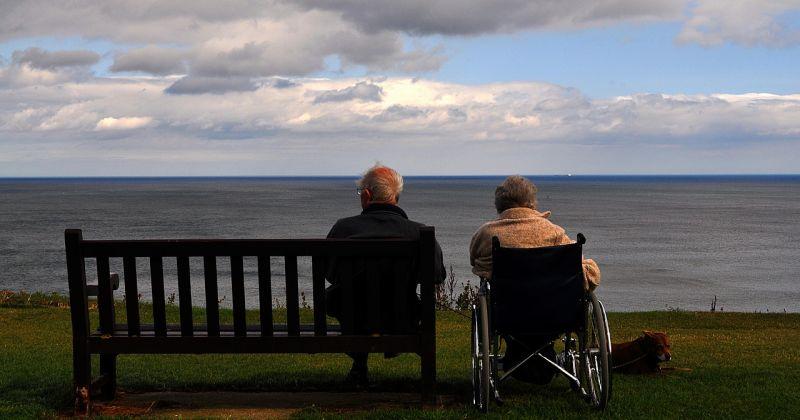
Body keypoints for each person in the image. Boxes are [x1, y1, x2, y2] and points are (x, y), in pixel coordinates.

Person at [469, 175, 601, 384]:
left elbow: (475, 261)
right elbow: (586, 273)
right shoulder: (554, 232)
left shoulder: (486, 233)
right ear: (531, 203)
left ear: (500, 205)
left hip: (507, 314)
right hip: (556, 313)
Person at [326, 164, 446, 384]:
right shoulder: (418, 232)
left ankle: (359, 366)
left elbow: (330, 273)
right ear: (396, 197)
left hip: (354, 319)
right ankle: (427, 385)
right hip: (402, 318)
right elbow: (437, 276)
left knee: (344, 299)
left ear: (366, 195)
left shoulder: (343, 229)